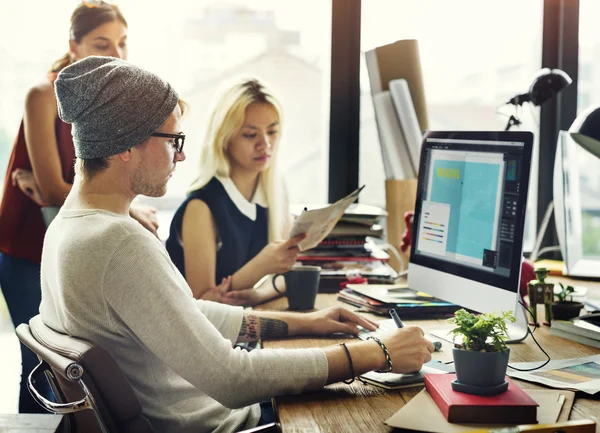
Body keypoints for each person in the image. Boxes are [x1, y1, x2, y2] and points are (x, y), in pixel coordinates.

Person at [40, 56, 435, 433]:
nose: (181, 155)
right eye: (173, 139)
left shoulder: (67, 229)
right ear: (126, 144)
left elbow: (185, 315)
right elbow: (230, 377)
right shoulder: (120, 242)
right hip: (228, 424)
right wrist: (374, 353)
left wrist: (304, 323)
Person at [0, 2, 158, 413]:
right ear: (73, 46)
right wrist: (126, 211)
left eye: (122, 44)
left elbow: (116, 179)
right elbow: (54, 185)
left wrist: (115, 204)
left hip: (75, 237)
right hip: (27, 245)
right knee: (42, 361)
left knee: (79, 362)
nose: (115, 54)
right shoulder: (43, 96)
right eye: (101, 43)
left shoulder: (110, 103)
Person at [166, 78, 300, 304]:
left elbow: (288, 276)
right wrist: (260, 267)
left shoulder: (274, 191)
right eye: (250, 134)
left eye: (272, 131)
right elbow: (200, 304)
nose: (265, 144)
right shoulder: (201, 206)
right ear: (224, 138)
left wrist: (259, 293)